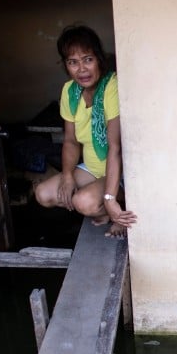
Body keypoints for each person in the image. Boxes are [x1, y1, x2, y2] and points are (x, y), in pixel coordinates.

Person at [35, 25, 137, 237]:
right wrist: (68, 176)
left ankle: (119, 204)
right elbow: (71, 141)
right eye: (73, 62)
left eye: (88, 59)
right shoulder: (69, 91)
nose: (81, 69)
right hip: (91, 168)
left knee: (82, 202)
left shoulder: (111, 86)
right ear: (65, 66)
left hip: (118, 171)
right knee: (43, 194)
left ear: (98, 58)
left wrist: (109, 198)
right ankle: (104, 208)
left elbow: (115, 147)